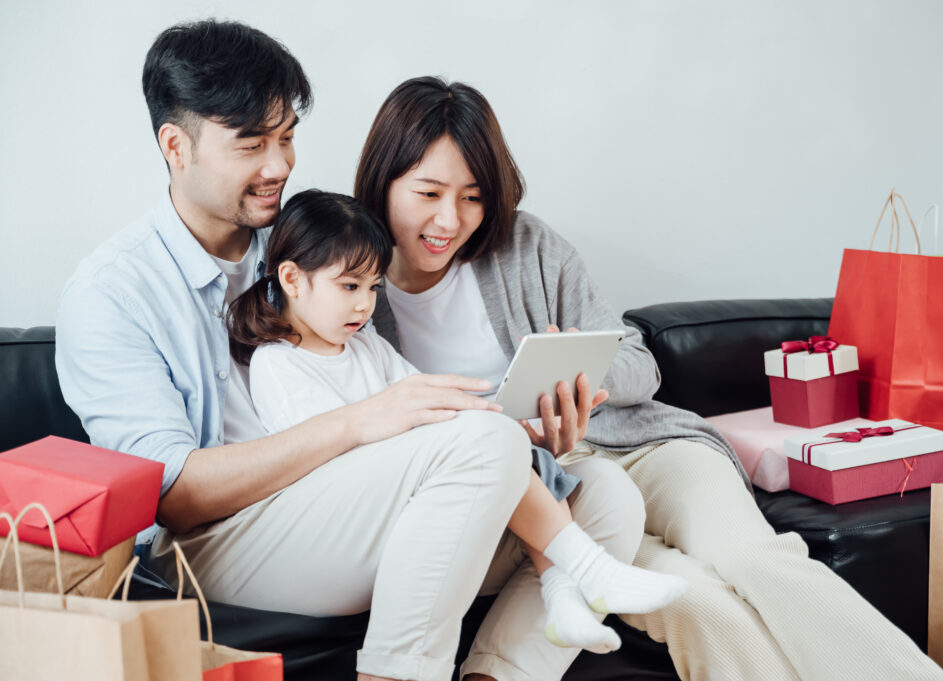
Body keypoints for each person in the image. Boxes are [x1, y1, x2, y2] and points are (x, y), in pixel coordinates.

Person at [54, 22, 644, 681]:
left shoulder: (311, 238)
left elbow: (401, 393)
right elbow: (172, 496)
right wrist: (365, 420)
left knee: (604, 494)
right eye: (252, 143)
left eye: (286, 136)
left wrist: (523, 428)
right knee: (487, 449)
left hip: (344, 506)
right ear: (175, 146)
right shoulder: (112, 294)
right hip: (211, 543)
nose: (278, 164)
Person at [354, 76, 943, 681]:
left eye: (473, 197)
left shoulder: (525, 245)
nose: (449, 219)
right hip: (569, 488)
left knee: (755, 560)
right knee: (694, 602)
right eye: (428, 192)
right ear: (384, 181)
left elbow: (642, 361)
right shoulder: (348, 286)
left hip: (648, 446)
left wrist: (584, 373)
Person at [226, 188, 687, 655]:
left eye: (373, 288)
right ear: (291, 278)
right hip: (353, 511)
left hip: (410, 482)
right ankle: (588, 571)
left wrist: (504, 424)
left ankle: (563, 594)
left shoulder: (364, 345)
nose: (365, 306)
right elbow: (324, 456)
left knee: (510, 448)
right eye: (349, 287)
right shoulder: (279, 364)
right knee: (489, 446)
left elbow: (427, 398)